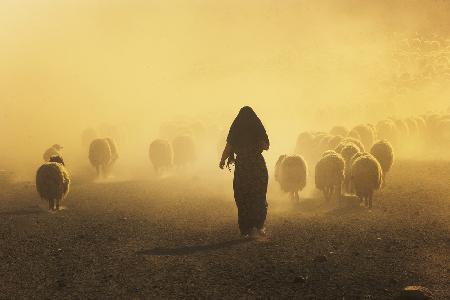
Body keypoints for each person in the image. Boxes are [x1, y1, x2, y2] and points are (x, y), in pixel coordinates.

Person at [219, 106, 270, 238]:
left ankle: (247, 228)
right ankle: (258, 226)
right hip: (257, 165)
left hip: (243, 166)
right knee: (258, 194)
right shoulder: (257, 126)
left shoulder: (236, 127)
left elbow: (228, 146)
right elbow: (266, 146)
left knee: (243, 195)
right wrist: (256, 143)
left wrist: (222, 160)